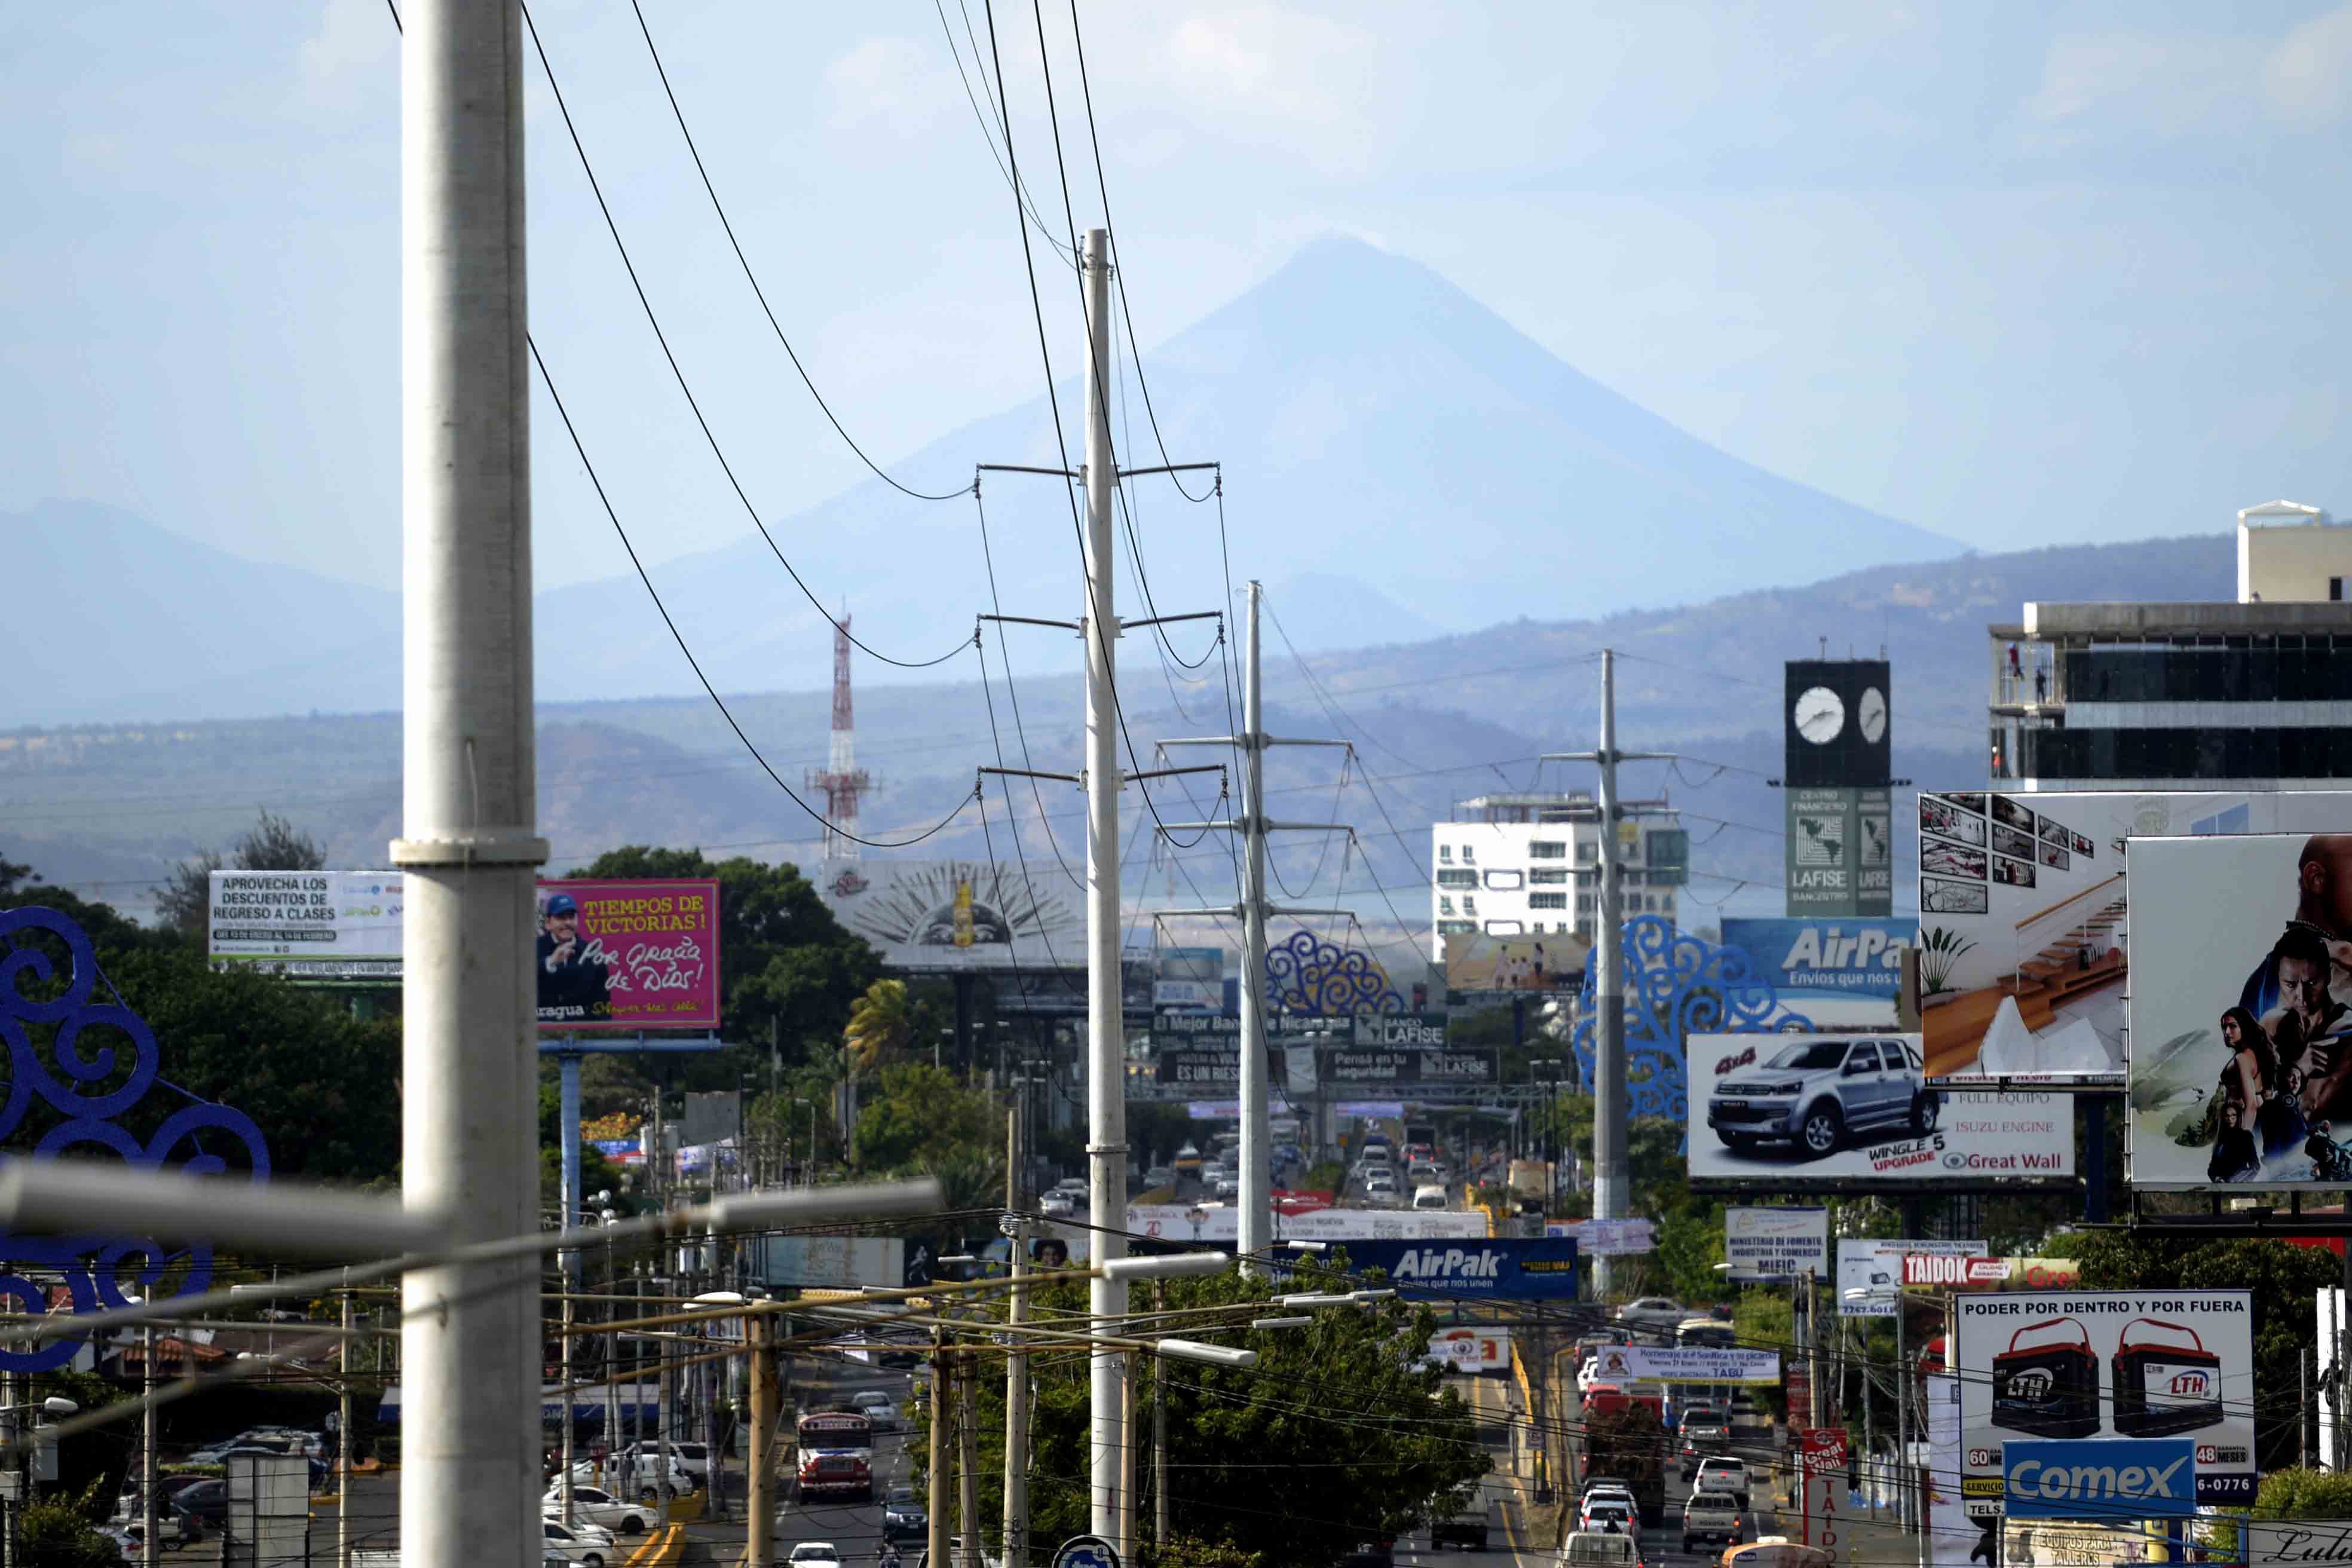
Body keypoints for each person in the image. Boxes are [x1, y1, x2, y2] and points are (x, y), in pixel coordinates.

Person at [538, 892, 611, 1022]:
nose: (568, 923)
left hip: (582, 1036)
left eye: (571, 917)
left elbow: (602, 1003)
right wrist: (550, 962)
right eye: (561, 917)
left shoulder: (592, 952)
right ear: (548, 923)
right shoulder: (532, 949)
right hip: (542, 1034)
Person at [2207, 1095, 2258, 1183]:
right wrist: (2217, 1179)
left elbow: (2255, 1167)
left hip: (2239, 1186)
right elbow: (2212, 1168)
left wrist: (2238, 1180)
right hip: (2222, 1187)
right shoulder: (2221, 1140)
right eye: (2227, 1116)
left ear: (2238, 1116)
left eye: (2233, 1115)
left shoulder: (2245, 1137)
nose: (2230, 1119)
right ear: (2223, 1118)